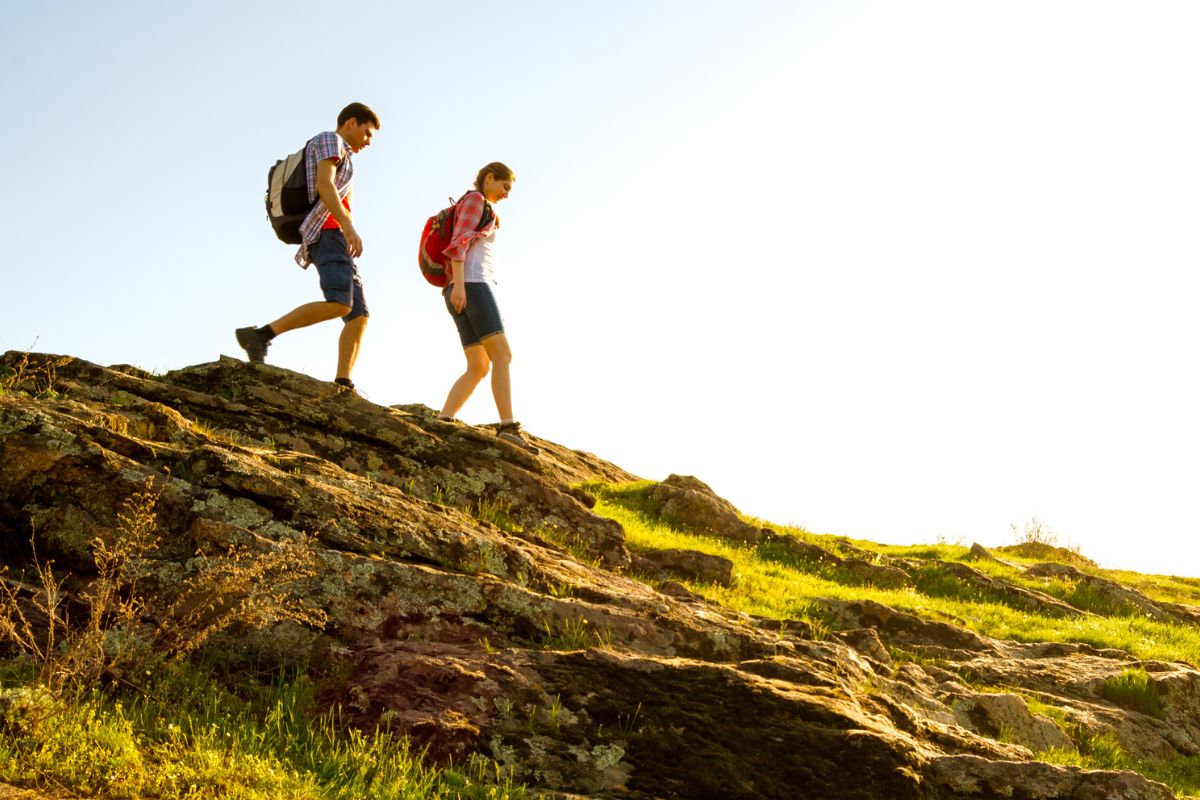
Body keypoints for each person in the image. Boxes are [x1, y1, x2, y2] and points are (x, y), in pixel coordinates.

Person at [235, 102, 381, 392]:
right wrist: (348, 228)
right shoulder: (332, 140)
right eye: (367, 133)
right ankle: (262, 335)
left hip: (335, 234)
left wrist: (347, 228)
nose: (368, 142)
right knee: (341, 302)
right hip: (326, 233)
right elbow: (325, 187)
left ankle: (342, 383)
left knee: (358, 315)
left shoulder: (346, 157)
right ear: (351, 122)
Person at [438, 162, 539, 454]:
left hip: (460, 288)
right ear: (490, 178)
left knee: (479, 365)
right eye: (505, 186)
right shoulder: (475, 200)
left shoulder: (480, 206)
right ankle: (508, 427)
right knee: (503, 355)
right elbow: (458, 244)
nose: (507, 193)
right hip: (471, 285)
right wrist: (459, 285)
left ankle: (444, 418)